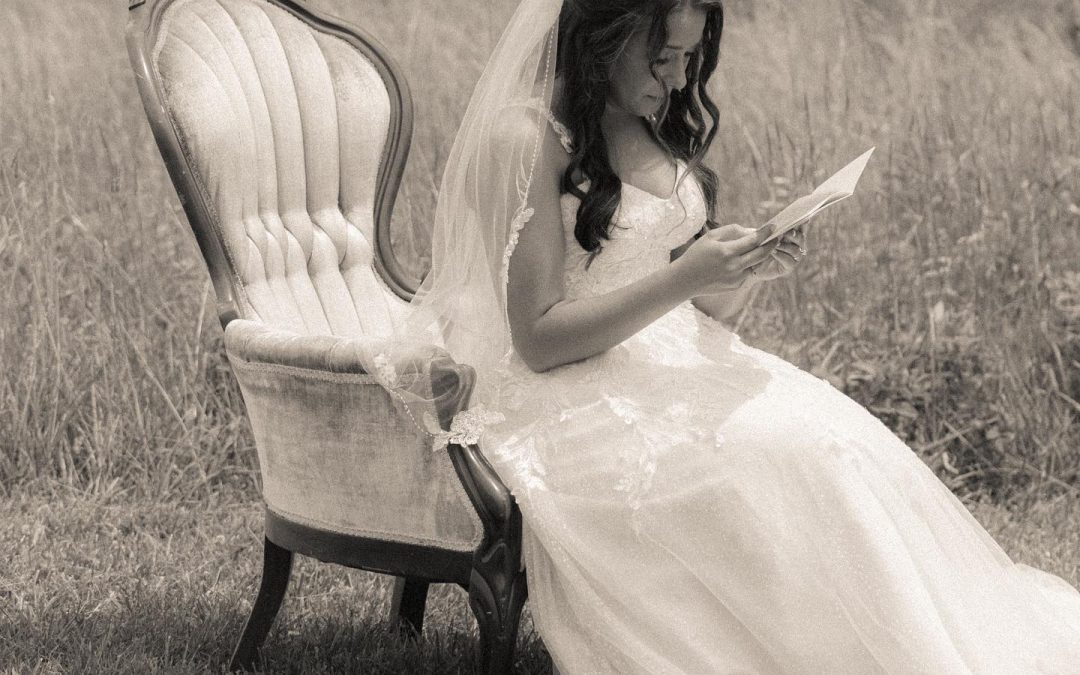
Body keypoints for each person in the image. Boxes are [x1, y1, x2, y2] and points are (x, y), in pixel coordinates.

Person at [378, 0, 1080, 671]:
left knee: (831, 442)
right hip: (565, 393)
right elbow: (536, 337)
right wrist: (684, 280)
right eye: (662, 58)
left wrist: (744, 269)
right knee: (772, 455)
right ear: (603, 38)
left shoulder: (644, 115)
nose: (679, 79)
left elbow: (688, 295)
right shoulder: (524, 139)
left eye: (688, 57)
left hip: (672, 355)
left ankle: (893, 645)